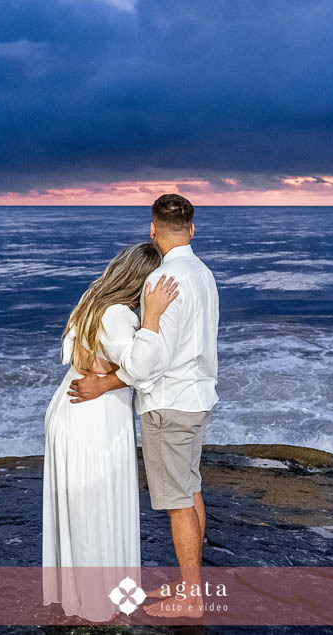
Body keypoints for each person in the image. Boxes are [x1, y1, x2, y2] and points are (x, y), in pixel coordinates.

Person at [68, 194, 219, 618]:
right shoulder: (204, 273)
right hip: (198, 397)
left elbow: (145, 361)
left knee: (176, 501)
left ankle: (192, 597)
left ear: (152, 230)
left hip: (169, 403)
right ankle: (192, 583)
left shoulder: (161, 281)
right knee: (189, 490)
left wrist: (104, 384)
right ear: (193, 228)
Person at [41, 241, 178, 622]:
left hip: (69, 409)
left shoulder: (92, 298)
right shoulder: (119, 314)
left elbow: (72, 353)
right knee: (96, 507)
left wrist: (101, 373)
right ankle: (97, 602)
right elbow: (142, 366)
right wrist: (151, 319)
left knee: (78, 507)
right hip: (94, 419)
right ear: (143, 282)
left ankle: (76, 594)